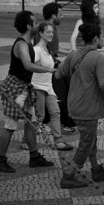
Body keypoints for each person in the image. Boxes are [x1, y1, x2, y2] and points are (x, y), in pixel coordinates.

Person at [56, 22, 104, 189]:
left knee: (90, 138)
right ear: (95, 39)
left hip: (74, 104)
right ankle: (69, 175)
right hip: (87, 107)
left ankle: (95, 169)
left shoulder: (73, 54)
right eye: (102, 37)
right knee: (86, 143)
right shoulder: (97, 57)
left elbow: (59, 74)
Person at [0, 11, 56, 173]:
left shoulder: (28, 42)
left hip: (24, 87)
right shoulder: (22, 44)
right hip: (15, 88)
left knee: (31, 122)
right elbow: (28, 66)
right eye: (36, 23)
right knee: (10, 125)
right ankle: (1, 160)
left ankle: (34, 156)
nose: (38, 24)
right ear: (29, 26)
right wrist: (49, 70)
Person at [32, 22, 73, 151]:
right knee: (40, 116)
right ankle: (26, 140)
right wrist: (47, 70)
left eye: (52, 32)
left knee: (55, 112)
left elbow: (52, 66)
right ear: (40, 33)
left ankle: (59, 141)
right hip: (37, 86)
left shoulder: (48, 49)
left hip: (48, 86)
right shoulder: (36, 50)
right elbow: (30, 67)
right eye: (48, 32)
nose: (51, 34)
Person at [36, 2, 74, 134]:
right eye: (60, 14)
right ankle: (48, 122)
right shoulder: (50, 28)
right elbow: (50, 50)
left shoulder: (44, 27)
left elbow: (54, 49)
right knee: (59, 95)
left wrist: (68, 52)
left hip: (48, 67)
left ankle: (53, 123)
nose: (62, 17)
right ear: (53, 15)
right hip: (48, 69)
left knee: (53, 96)